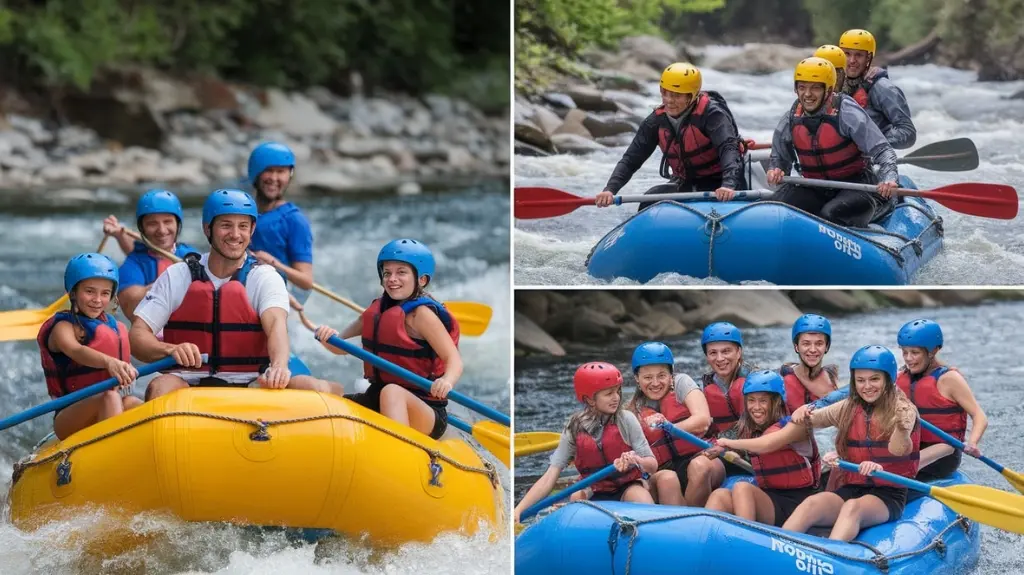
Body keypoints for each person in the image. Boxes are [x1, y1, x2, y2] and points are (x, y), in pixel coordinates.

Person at [129, 188, 342, 399]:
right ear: (207, 228)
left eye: (243, 226)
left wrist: (278, 366)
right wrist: (169, 350)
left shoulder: (265, 277)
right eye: (226, 225)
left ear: (252, 230)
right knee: (159, 388)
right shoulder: (177, 275)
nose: (235, 234)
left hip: (253, 380)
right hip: (188, 380)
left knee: (315, 391)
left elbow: (277, 325)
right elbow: (138, 335)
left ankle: (333, 390)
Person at [313, 239, 461, 439]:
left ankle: (404, 455)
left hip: (425, 408)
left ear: (422, 279)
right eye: (387, 273)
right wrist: (328, 338)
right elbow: (341, 347)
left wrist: (446, 381)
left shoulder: (422, 315)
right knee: (328, 396)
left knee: (392, 392)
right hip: (378, 395)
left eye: (401, 272)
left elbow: (454, 360)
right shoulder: (377, 309)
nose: (392, 278)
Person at [783, 345, 920, 541]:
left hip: (888, 494)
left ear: (888, 380)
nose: (867, 386)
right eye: (860, 380)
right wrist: (802, 413)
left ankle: (829, 559)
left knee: (852, 508)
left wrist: (901, 429)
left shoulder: (903, 410)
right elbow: (815, 419)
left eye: (874, 379)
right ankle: (780, 548)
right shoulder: (848, 407)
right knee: (812, 503)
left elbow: (900, 450)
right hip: (852, 487)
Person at [513, 362, 657, 523]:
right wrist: (519, 509)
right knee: (576, 497)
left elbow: (652, 465)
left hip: (627, 486)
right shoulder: (574, 428)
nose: (616, 398)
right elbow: (549, 477)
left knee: (641, 497)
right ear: (589, 399)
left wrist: (636, 460)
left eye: (618, 391)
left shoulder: (626, 420)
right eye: (609, 393)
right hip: (593, 490)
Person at [595, 62, 748, 212]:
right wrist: (610, 189)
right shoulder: (655, 121)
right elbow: (631, 159)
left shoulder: (712, 115)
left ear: (691, 96)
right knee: (649, 200)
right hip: (686, 184)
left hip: (721, 184)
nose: (668, 100)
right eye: (665, 92)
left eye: (676, 95)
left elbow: (728, 148)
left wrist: (728, 185)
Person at [767, 57, 900, 228]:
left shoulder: (847, 113)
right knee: (775, 209)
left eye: (815, 88)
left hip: (856, 186)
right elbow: (779, 158)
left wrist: (889, 178)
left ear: (828, 90)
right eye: (802, 87)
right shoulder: (790, 119)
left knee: (831, 214)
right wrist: (775, 169)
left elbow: (883, 151)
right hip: (816, 187)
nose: (807, 94)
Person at [37, 253, 140, 440]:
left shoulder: (116, 327)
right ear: (74, 292)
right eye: (90, 291)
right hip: (69, 417)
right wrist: (110, 362)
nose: (97, 300)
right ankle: (113, 455)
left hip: (110, 406)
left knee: (134, 403)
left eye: (105, 293)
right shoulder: (63, 327)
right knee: (109, 397)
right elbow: (76, 351)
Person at [705, 370, 821, 527]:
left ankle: (746, 539)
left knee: (742, 488)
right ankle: (704, 541)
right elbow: (751, 445)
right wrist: (721, 449)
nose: (756, 407)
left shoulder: (797, 426)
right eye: (751, 400)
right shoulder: (751, 431)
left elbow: (767, 444)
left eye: (763, 401)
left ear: (777, 402)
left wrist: (729, 443)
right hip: (769, 498)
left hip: (797, 504)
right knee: (719, 495)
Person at [895, 319, 988, 483]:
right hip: (910, 445)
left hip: (943, 451)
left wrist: (972, 442)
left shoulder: (949, 379)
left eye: (914, 353)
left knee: (900, 469)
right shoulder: (901, 377)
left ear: (932, 351)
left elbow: (979, 416)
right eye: (905, 352)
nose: (908, 358)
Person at [627, 341, 712, 506]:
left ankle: (693, 519)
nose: (655, 383)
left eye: (661, 375)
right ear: (637, 379)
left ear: (671, 374)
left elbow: (703, 421)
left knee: (699, 466)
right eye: (647, 377)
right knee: (667, 479)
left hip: (701, 456)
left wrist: (668, 427)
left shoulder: (682, 383)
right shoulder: (632, 410)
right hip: (664, 469)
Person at [679, 322, 752, 507]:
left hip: (754, 455)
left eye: (726, 351)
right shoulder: (704, 386)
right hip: (722, 455)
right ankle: (687, 524)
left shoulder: (757, 381)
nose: (720, 358)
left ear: (739, 352)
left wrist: (726, 444)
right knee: (698, 465)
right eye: (713, 353)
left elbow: (765, 425)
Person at [102, 189, 198, 322]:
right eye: (152, 224)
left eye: (168, 221)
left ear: (178, 224)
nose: (162, 230)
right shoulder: (132, 265)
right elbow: (132, 305)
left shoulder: (191, 255)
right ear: (142, 229)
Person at [246, 142, 315, 301]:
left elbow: (306, 281)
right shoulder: (241, 211)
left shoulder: (295, 220)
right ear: (255, 173)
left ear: (289, 175)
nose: (274, 178)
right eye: (268, 171)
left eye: (281, 172)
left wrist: (274, 264)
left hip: (276, 297)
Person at [838, 29, 917, 149]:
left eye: (859, 55)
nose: (852, 60)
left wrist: (873, 143)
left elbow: (907, 133)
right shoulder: (833, 84)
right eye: (847, 54)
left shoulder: (883, 88)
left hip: (871, 159)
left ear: (868, 58)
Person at [780, 314, 839, 415]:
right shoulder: (782, 380)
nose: (812, 350)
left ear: (826, 346)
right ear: (796, 346)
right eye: (806, 344)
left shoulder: (833, 378)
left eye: (819, 344)